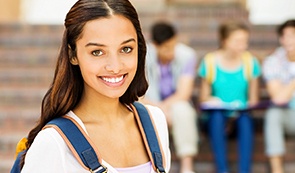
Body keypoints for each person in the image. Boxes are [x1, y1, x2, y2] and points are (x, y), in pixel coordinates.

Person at [19, 0, 171, 172]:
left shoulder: (154, 121)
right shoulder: (54, 143)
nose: (115, 67)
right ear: (73, 55)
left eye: (126, 49)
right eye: (97, 52)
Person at [198, 21, 261, 173]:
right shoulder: (210, 61)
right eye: (238, 41)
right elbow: (203, 98)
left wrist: (243, 105)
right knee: (217, 117)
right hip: (215, 118)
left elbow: (253, 100)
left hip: (240, 115)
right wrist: (212, 100)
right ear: (225, 41)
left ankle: (244, 170)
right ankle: (222, 170)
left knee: (245, 119)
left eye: (245, 41)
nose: (243, 45)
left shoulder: (250, 62)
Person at [140, 21, 199, 173]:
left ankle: (187, 166)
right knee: (144, 111)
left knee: (183, 111)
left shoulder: (187, 55)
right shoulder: (143, 56)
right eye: (166, 48)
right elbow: (138, 95)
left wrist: (165, 108)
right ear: (154, 45)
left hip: (175, 105)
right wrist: (159, 109)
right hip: (149, 102)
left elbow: (184, 94)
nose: (171, 52)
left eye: (173, 46)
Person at [262, 19, 295, 173]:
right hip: (288, 115)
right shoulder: (272, 61)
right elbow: (278, 98)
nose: (291, 40)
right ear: (281, 39)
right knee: (273, 113)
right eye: (287, 36)